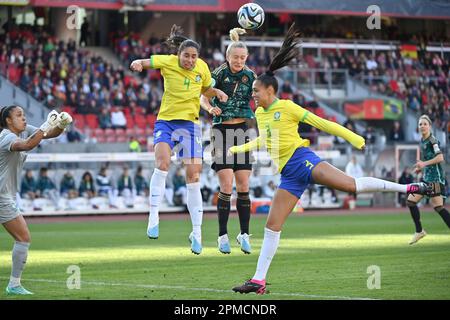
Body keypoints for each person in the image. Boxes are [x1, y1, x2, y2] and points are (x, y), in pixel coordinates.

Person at [228, 24, 432, 295]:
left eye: (256, 90)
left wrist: (353, 138)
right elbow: (266, 141)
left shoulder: (287, 107)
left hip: (302, 161)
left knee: (351, 186)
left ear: (270, 91)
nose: (253, 94)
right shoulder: (262, 114)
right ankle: (258, 280)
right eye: (253, 91)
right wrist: (241, 148)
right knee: (272, 226)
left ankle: (407, 188)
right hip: (289, 174)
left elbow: (322, 123)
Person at [129, 25, 228, 254]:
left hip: (190, 125)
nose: (190, 60)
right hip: (166, 122)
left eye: (194, 56)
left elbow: (206, 89)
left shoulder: (202, 67)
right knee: (162, 163)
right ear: (179, 54)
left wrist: (218, 94)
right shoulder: (167, 61)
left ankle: (197, 232)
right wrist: (137, 63)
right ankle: (153, 216)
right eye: (186, 56)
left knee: (193, 175)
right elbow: (144, 62)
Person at [0, 105, 72, 295]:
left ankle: (14, 285)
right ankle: (14, 285)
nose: (24, 118)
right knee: (23, 238)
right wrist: (46, 124)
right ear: (8, 121)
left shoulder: (25, 131)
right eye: (19, 115)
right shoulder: (7, 137)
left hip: (5, 195)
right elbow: (28, 145)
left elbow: (48, 134)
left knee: (22, 238)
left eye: (24, 115)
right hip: (1, 196)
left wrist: (62, 125)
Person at [200, 28, 256, 254]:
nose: (239, 61)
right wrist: (210, 106)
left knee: (244, 186)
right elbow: (203, 94)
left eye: (243, 58)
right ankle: (222, 235)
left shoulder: (251, 76)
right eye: (236, 57)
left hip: (242, 132)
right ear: (228, 57)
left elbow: (259, 96)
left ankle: (244, 234)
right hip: (221, 131)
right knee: (226, 186)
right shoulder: (219, 74)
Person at [406, 115, 450, 245]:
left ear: (429, 126)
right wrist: (421, 168)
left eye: (425, 124)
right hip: (426, 179)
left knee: (438, 207)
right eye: (420, 124)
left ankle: (419, 231)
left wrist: (424, 164)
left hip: (435, 180)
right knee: (410, 201)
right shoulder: (422, 140)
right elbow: (429, 161)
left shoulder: (432, 140)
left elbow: (440, 158)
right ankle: (419, 231)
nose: (422, 126)